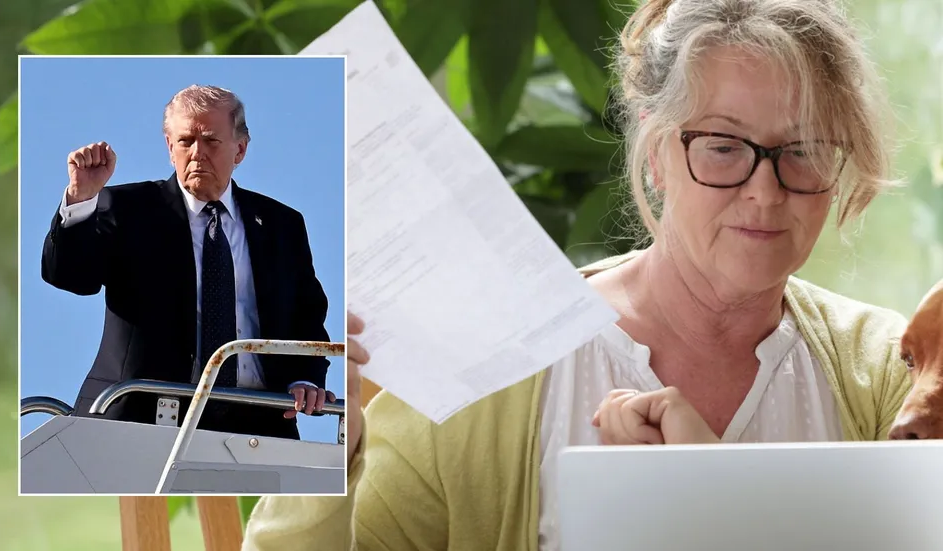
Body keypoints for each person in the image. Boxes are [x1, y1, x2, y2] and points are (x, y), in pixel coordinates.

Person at [242, 0, 912, 548]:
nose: (766, 192)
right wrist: (325, 443)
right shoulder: (493, 369)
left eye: (803, 150)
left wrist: (713, 486)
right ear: (655, 153)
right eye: (723, 146)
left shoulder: (895, 372)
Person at [42, 84, 336, 440]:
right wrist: (80, 199)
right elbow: (71, 277)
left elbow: (306, 314)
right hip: (145, 417)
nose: (197, 153)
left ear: (240, 149)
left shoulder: (281, 224)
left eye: (211, 141)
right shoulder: (126, 208)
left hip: (260, 422)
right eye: (185, 141)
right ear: (170, 148)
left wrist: (305, 378)